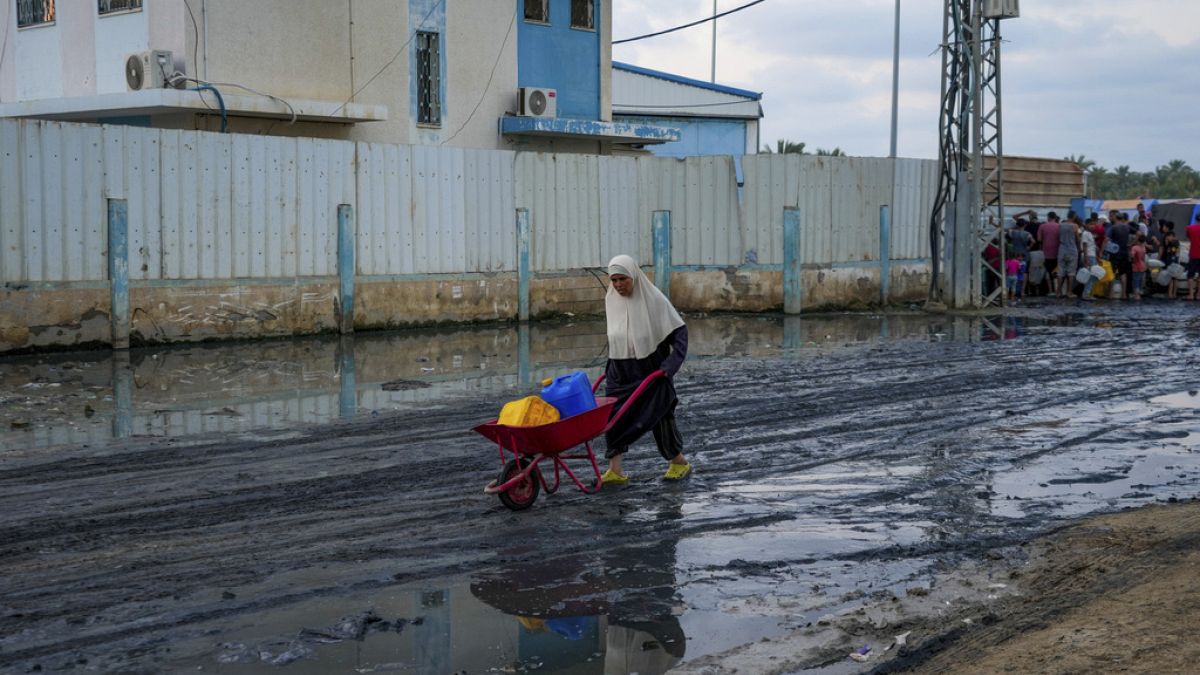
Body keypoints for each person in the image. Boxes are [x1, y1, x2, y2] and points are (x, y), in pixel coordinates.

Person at [601, 254, 691, 483]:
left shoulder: (655, 301)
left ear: (634, 277)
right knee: (613, 417)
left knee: (660, 415)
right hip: (619, 370)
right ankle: (615, 469)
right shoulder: (611, 300)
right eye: (614, 280)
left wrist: (669, 367)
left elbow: (680, 334)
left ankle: (678, 461)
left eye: (623, 279)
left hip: (650, 370)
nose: (618, 285)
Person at [1109, 214, 1133, 300]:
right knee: (1123, 273)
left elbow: (1106, 239)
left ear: (1115, 218)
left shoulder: (1113, 227)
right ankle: (1124, 294)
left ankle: (1110, 294)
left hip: (1115, 253)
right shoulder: (1127, 227)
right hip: (1124, 253)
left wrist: (1101, 250)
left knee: (1112, 273)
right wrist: (1131, 244)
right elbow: (1139, 233)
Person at [1037, 212, 1062, 294]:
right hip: (1057, 252)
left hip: (1045, 252)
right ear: (1055, 217)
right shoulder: (1059, 226)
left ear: (1048, 217)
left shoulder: (1042, 226)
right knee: (1056, 272)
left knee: (1047, 271)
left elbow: (1039, 239)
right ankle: (1058, 290)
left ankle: (1049, 290)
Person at [1056, 215, 1080, 298]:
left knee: (1060, 271)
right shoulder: (1075, 225)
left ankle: (1058, 292)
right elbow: (1077, 238)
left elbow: (1058, 236)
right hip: (1072, 250)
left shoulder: (1060, 225)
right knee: (1071, 272)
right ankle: (1069, 292)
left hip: (1062, 249)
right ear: (1073, 217)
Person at [1079, 222, 1098, 301]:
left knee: (1092, 275)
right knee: (1092, 275)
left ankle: (1087, 293)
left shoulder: (1090, 234)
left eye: (1093, 224)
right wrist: (1086, 258)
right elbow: (1085, 246)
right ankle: (1086, 294)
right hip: (1089, 256)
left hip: (1092, 255)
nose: (1092, 226)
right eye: (1090, 224)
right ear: (1086, 225)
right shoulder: (1085, 234)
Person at [1130, 233, 1147, 300]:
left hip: (1136, 266)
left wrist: (1132, 262)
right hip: (1143, 266)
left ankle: (1136, 295)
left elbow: (1132, 255)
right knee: (1140, 280)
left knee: (1136, 280)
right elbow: (1143, 258)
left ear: (1138, 240)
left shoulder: (1135, 247)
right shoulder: (1143, 248)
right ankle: (1139, 293)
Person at [1188, 214, 1200, 300]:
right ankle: (1199, 294)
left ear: (1196, 219)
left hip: (1193, 254)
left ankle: (1191, 294)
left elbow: (1190, 238)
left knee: (1190, 275)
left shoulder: (1189, 228)